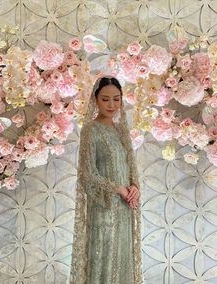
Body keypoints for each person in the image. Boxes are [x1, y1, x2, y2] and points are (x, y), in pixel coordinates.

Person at [69, 76, 143, 284]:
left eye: (116, 99)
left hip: (125, 209)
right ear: (96, 100)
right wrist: (117, 189)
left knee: (123, 258)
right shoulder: (91, 130)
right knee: (105, 259)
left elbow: (129, 166)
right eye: (105, 99)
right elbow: (86, 174)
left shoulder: (120, 131)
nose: (112, 105)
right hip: (104, 209)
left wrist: (134, 186)